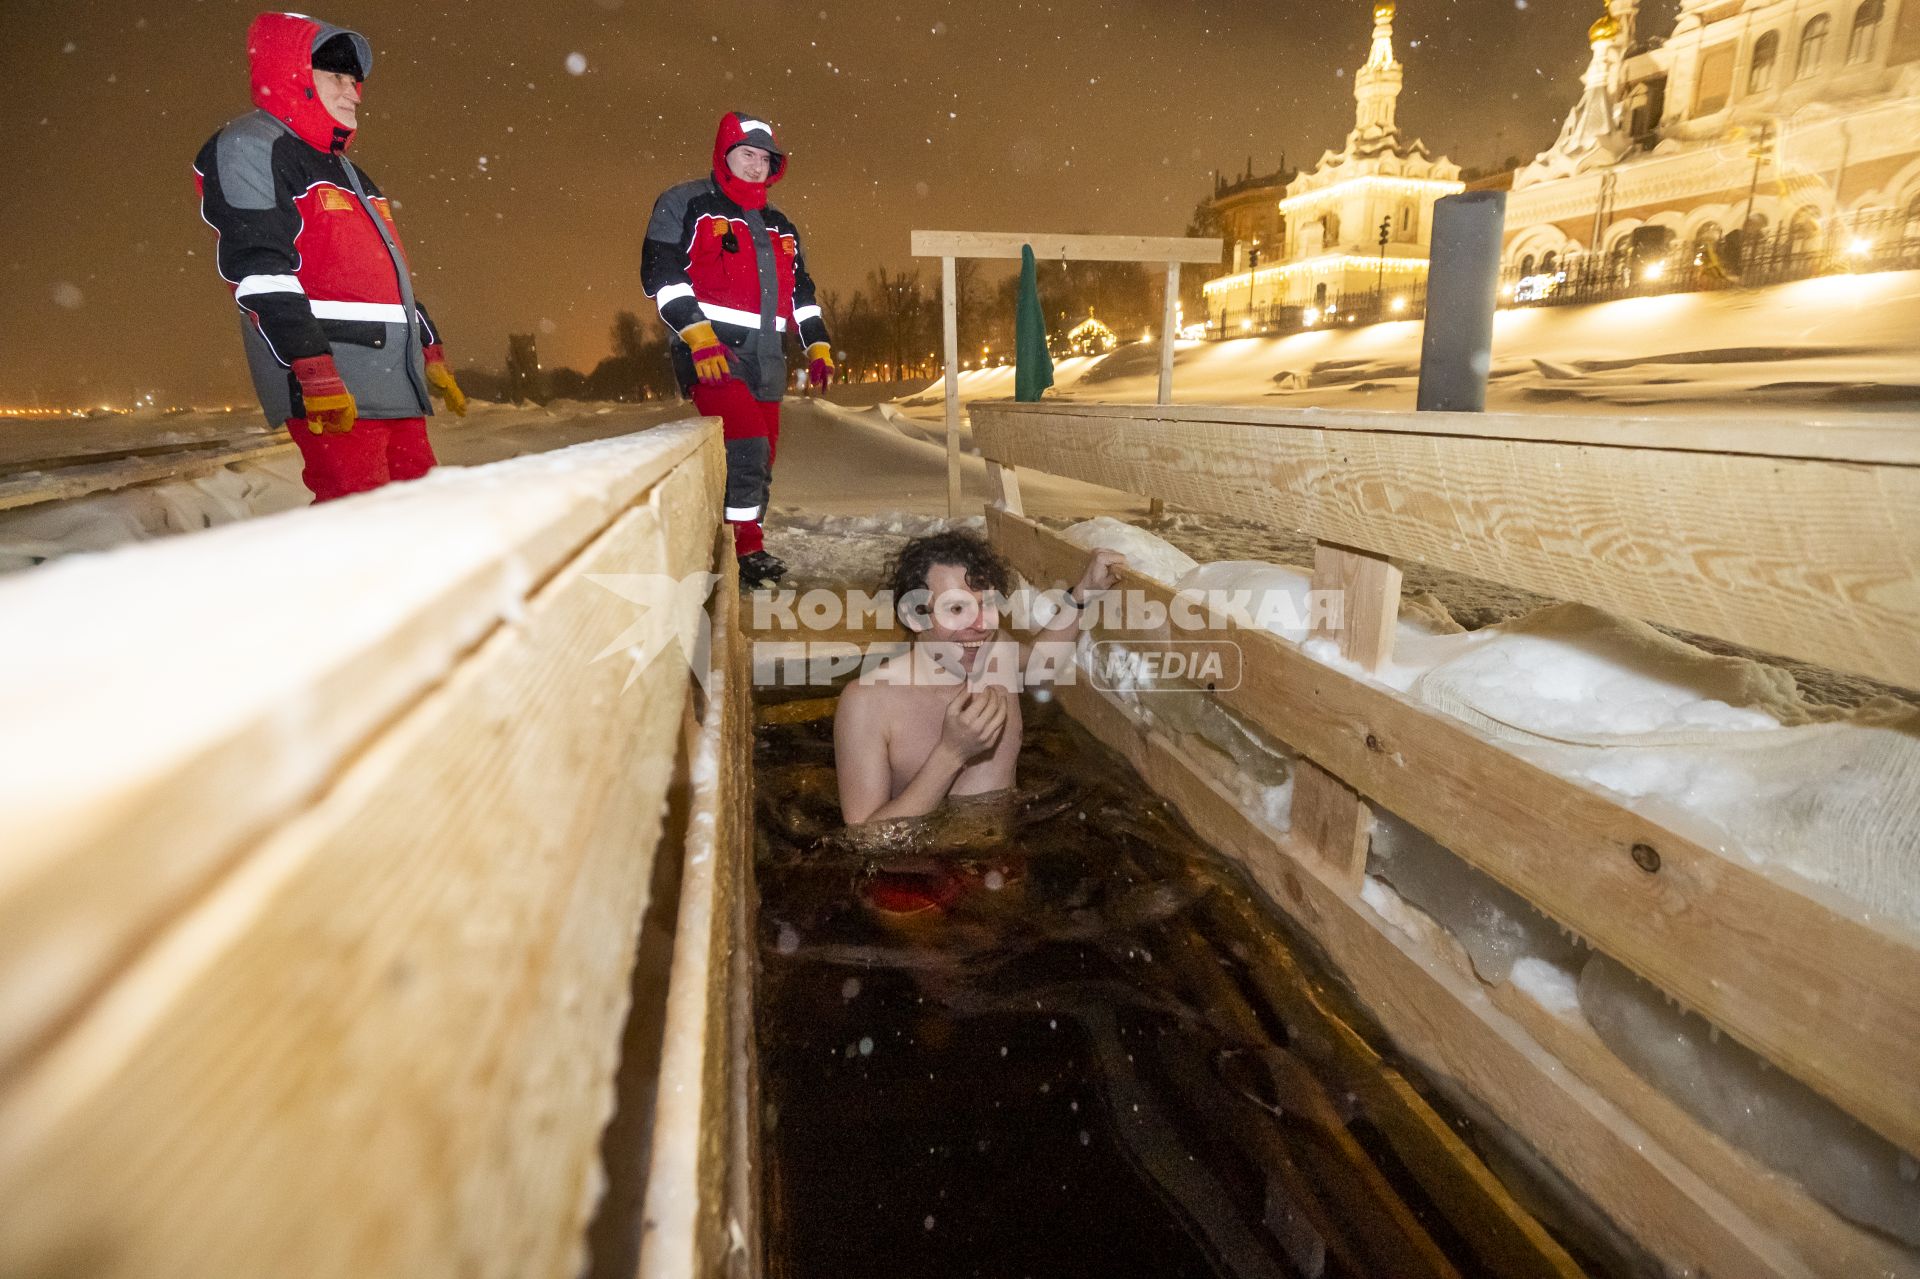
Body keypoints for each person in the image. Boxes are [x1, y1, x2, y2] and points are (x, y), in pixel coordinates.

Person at [194, 13, 467, 504]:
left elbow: (388, 277)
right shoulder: (252, 147)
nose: (355, 93)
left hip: (393, 379)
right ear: (294, 76)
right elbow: (259, 269)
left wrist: (428, 348)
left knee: (423, 520)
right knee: (359, 532)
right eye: (337, 77)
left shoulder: (351, 173)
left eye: (355, 79)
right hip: (336, 376)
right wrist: (312, 365)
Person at [642, 112, 835, 586]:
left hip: (769, 357)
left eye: (765, 158)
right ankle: (739, 553)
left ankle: (744, 540)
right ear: (723, 155)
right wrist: (697, 334)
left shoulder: (781, 225)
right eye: (746, 155)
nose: (755, 167)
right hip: (712, 355)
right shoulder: (685, 203)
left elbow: (802, 295)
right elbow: (661, 276)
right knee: (745, 442)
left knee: (761, 453)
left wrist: (818, 345)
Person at [834, 530, 1125, 826]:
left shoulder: (998, 652)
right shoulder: (867, 702)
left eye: (986, 604)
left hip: (1003, 861)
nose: (981, 625)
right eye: (957, 608)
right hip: (920, 866)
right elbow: (867, 840)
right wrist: (951, 753)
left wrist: (1084, 592)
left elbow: (1042, 663)